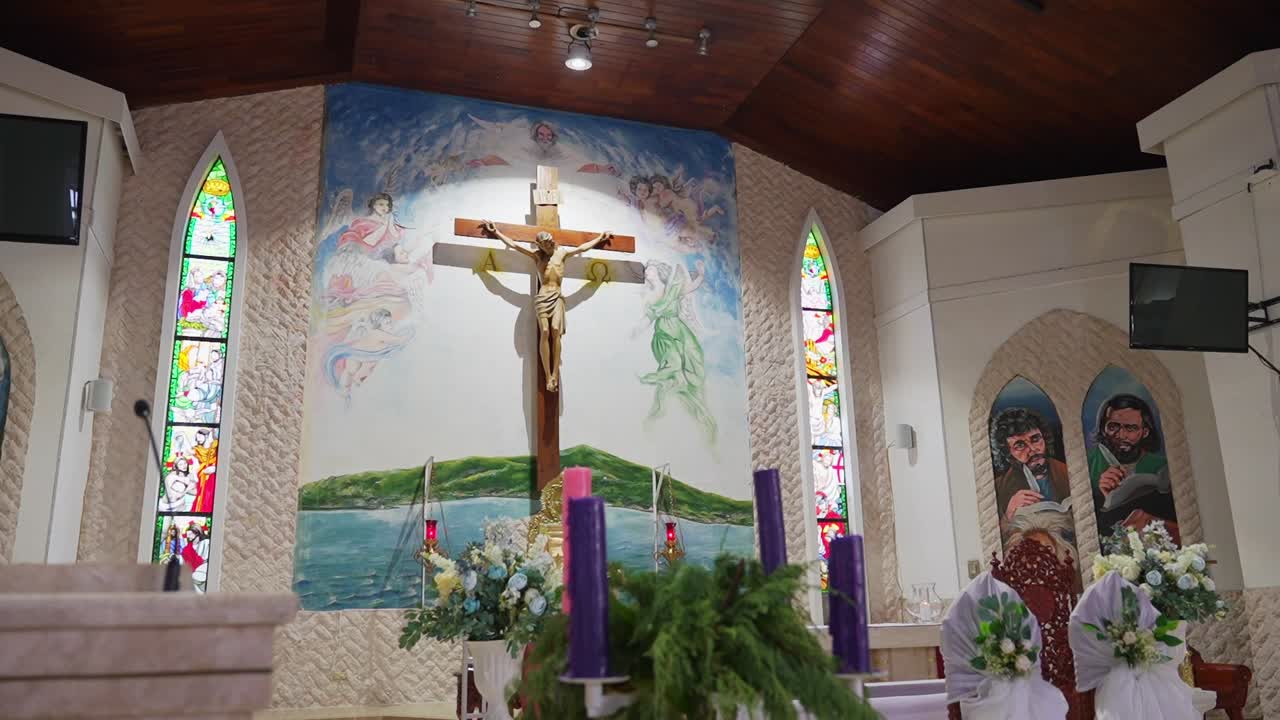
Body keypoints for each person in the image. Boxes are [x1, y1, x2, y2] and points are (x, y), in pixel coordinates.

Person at [481, 220, 614, 392]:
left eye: (550, 241)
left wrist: (600, 238)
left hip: (557, 296)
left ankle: (555, 374)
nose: (550, 245)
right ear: (540, 246)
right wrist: (496, 232)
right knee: (544, 331)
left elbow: (582, 248)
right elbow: (514, 245)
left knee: (555, 330)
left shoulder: (562, 254)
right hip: (543, 297)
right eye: (545, 244)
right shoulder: (536, 256)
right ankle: (548, 376)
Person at [1087, 393, 1177, 542]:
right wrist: (1104, 497)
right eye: (1113, 427)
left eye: (1131, 428)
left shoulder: (1162, 466)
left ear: (1145, 432)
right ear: (1103, 429)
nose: (1121, 435)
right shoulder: (1088, 465)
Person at [990, 408, 1071, 524]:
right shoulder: (1000, 487)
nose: (1032, 449)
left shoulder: (1068, 471)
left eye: (1035, 439)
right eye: (1020, 445)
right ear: (1007, 453)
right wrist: (1010, 512)